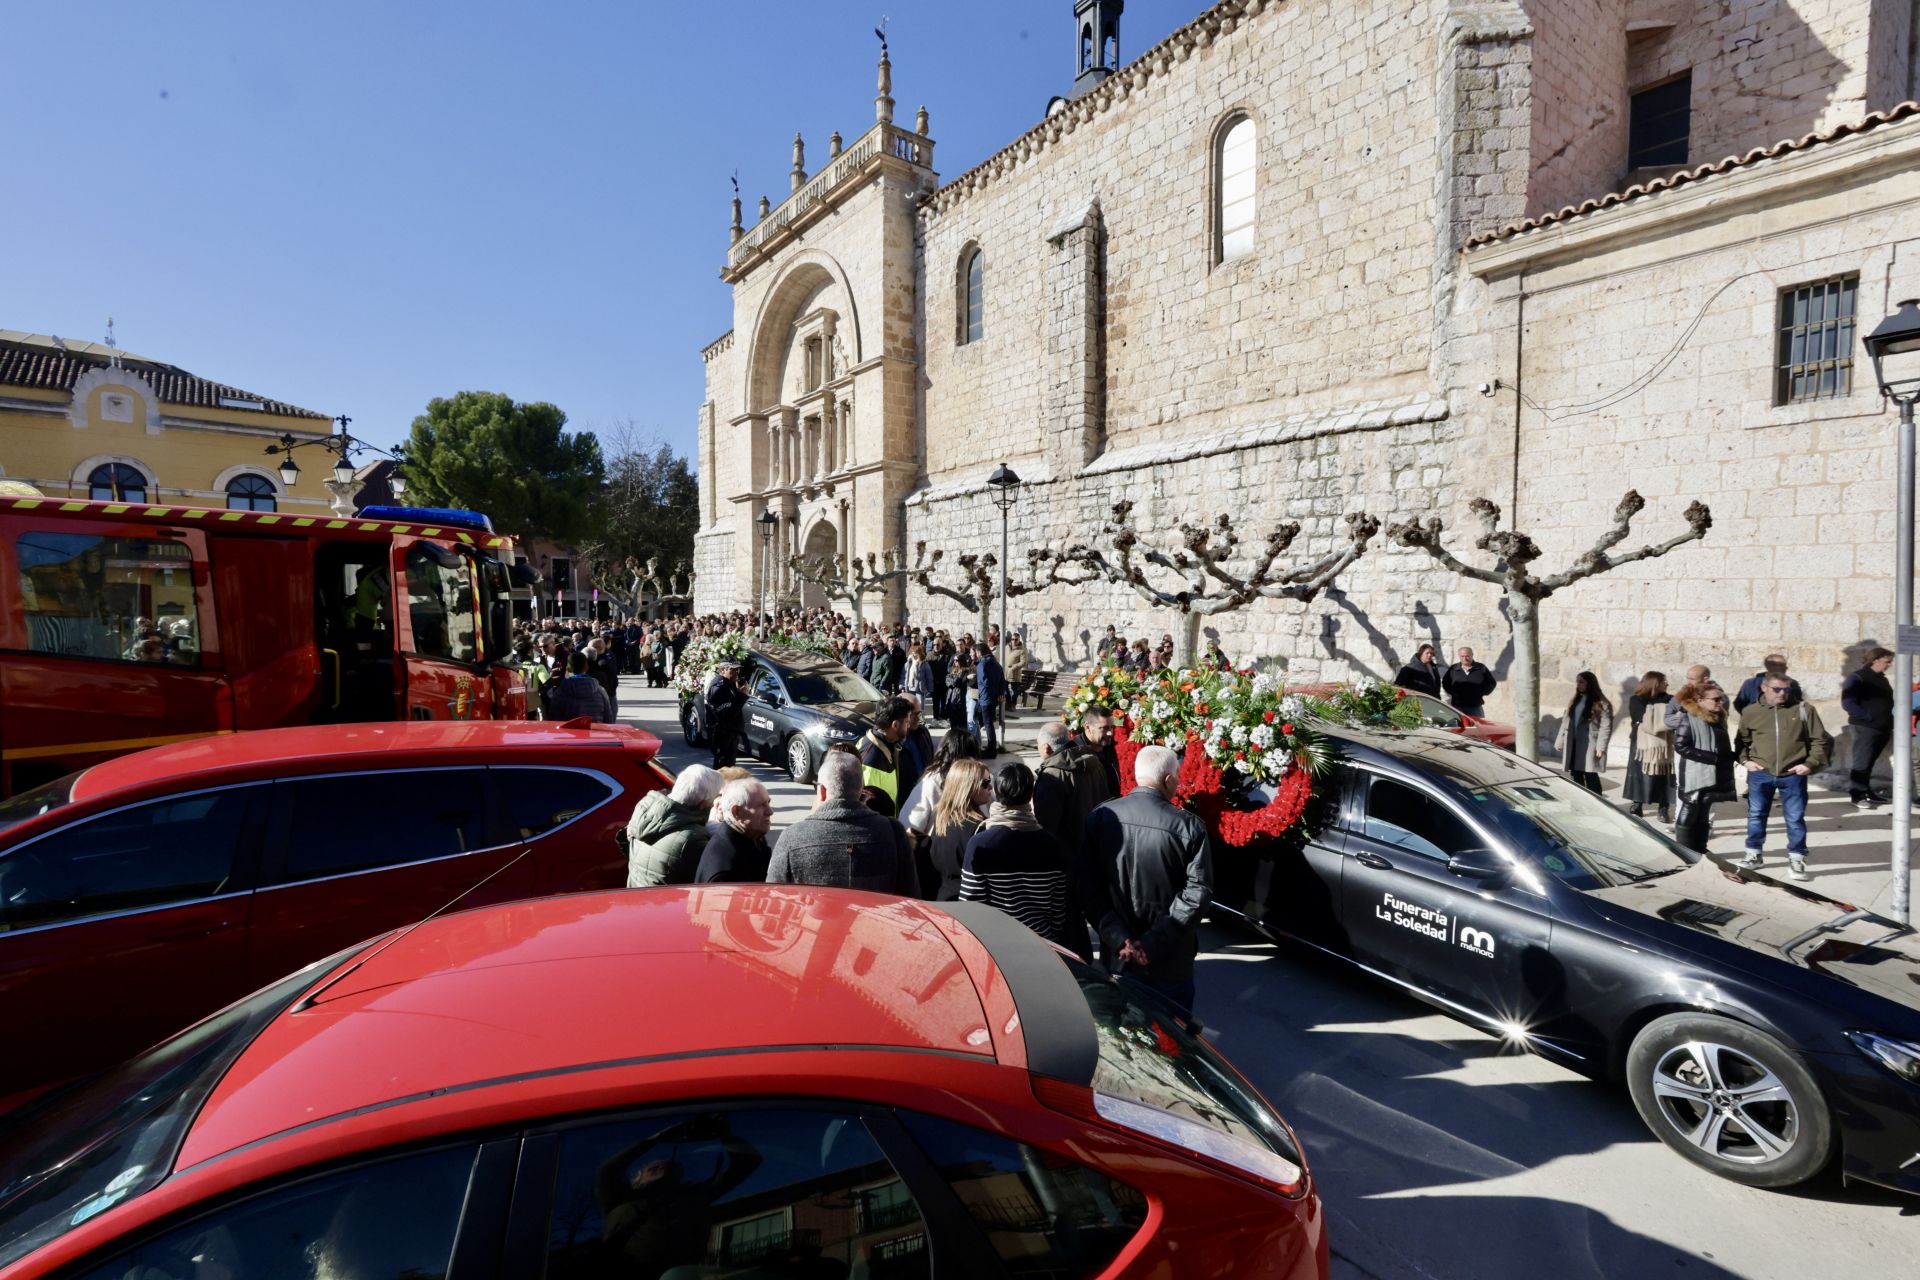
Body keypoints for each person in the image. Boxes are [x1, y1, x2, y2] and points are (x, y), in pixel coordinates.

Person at [1086, 745, 1212, 1016]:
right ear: (1168, 779)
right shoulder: (1188, 827)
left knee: (1123, 1042)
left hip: (1119, 957)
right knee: (1170, 1041)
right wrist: (1152, 943)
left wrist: (1120, 939)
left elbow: (1088, 887)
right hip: (1170, 961)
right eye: (1177, 776)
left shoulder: (1100, 817)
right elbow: (1197, 893)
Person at [766, 752, 920, 894]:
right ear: (861, 789)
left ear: (822, 791)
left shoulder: (791, 837)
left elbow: (775, 899)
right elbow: (911, 896)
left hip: (814, 923)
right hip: (880, 922)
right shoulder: (893, 832)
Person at [961, 762, 1074, 949]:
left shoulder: (980, 844)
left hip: (997, 948)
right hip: (1043, 945)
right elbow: (1058, 911)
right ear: (1031, 795)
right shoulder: (1052, 846)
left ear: (996, 792)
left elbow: (970, 907)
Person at [1733, 673, 1831, 881]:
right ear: (1764, 688)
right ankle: (1754, 854)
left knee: (1795, 819)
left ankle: (1797, 858)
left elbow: (1819, 740)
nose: (1782, 693)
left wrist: (1809, 764)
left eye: (1786, 689)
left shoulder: (1804, 710)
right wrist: (1745, 761)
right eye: (1777, 689)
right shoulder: (1751, 712)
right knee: (1756, 815)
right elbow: (1742, 741)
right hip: (1760, 773)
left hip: (1793, 775)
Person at [1033, 721, 1108, 960]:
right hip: (1092, 854)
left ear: (1046, 748)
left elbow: (1046, 828)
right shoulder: (1093, 764)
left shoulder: (1053, 775)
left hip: (1065, 864)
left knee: (1069, 925)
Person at [626, 765, 725, 886]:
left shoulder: (645, 810)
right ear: (702, 804)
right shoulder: (692, 839)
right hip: (665, 903)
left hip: (634, 896)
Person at [1670, 683, 1735, 853]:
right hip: (1696, 773)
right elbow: (1680, 746)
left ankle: (1700, 849)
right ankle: (1685, 850)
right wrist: (1711, 757)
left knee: (1703, 812)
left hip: (1714, 772)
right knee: (1690, 808)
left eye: (1721, 698)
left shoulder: (1718, 717)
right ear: (1700, 700)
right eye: (1716, 699)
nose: (1720, 702)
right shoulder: (1689, 718)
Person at [925, 757, 992, 901]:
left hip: (943, 898)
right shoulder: (979, 827)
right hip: (969, 903)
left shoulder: (941, 818)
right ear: (969, 788)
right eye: (985, 783)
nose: (990, 788)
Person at [1841, 647, 1895, 807]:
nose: (1890, 665)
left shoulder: (1881, 679)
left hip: (1883, 727)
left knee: (1870, 761)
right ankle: (1857, 795)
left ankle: (1866, 791)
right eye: (1887, 661)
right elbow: (1848, 702)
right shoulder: (1858, 677)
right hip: (1866, 727)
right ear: (1875, 660)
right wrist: (1868, 717)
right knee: (1862, 762)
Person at [695, 776, 774, 883]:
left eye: (768, 802)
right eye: (761, 805)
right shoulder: (726, 871)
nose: (770, 811)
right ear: (736, 812)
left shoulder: (752, 835)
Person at [1623, 671, 1674, 822]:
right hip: (1642, 744)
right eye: (1664, 681)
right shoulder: (1636, 699)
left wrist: (1655, 713)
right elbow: (1641, 718)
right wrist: (1662, 715)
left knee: (1663, 775)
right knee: (1640, 773)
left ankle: (1663, 808)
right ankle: (1637, 804)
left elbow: (1672, 718)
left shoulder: (1670, 699)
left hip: (1664, 744)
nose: (1667, 684)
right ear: (1655, 683)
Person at [1558, 670, 1613, 793]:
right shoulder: (1574, 701)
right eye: (1577, 682)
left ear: (1590, 683)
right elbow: (1566, 722)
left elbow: (1606, 727)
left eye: (1581, 682)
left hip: (1590, 743)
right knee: (1576, 774)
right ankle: (1579, 802)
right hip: (1574, 743)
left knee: (1590, 774)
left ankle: (1597, 800)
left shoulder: (1602, 703)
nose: (1578, 685)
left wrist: (1601, 747)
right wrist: (1560, 741)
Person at [859, 696, 917, 810]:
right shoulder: (873, 759)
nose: (908, 726)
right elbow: (868, 805)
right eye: (906, 722)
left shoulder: (887, 745)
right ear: (895, 725)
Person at [547, 652, 616, 723]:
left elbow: (553, 721)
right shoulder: (601, 692)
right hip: (594, 733)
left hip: (569, 733)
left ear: (568, 669)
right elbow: (609, 721)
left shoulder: (559, 693)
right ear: (587, 668)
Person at [705, 661, 745, 769]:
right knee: (722, 767)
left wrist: (739, 692)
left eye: (738, 670)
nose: (737, 672)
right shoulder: (719, 687)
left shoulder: (728, 682)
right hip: (722, 733)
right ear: (723, 670)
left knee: (729, 765)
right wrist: (742, 696)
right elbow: (728, 713)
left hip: (729, 732)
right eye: (733, 670)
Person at [1734, 653, 1803, 713]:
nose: (1786, 668)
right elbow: (1739, 703)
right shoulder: (1751, 683)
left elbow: (1798, 704)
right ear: (1769, 666)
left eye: (1785, 665)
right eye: (1782, 665)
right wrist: (1751, 717)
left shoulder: (1792, 683)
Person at [1442, 647, 1496, 716]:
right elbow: (1445, 682)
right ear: (1459, 656)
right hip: (1457, 707)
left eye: (1467, 656)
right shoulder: (1454, 668)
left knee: (1477, 725)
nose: (1465, 658)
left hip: (1475, 707)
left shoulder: (1481, 668)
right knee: (1458, 726)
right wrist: (1454, 693)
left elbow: (1491, 683)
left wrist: (1481, 693)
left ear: (1472, 655)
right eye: (1462, 656)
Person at [975, 643, 1007, 756]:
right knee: (989, 723)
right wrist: (999, 693)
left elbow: (984, 682)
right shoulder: (996, 664)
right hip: (994, 697)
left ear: (979, 652)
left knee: (988, 724)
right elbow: (1002, 680)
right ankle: (991, 747)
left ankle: (991, 749)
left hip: (985, 697)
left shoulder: (982, 664)